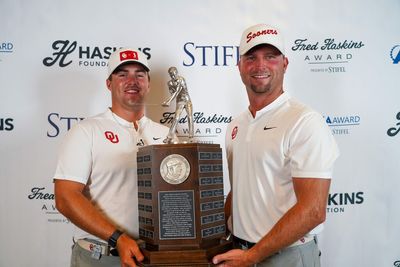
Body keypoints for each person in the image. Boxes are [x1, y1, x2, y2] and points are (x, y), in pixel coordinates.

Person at [212, 24, 339, 267]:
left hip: (286, 256)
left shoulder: (303, 120)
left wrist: (252, 256)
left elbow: (313, 210)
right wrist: (211, 235)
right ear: (239, 67)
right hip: (240, 252)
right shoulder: (236, 125)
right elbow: (239, 190)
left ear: (285, 64)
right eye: (251, 57)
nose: (260, 66)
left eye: (270, 57)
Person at [54, 47, 169, 267]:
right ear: (109, 83)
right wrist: (118, 238)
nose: (132, 81)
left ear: (148, 83)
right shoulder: (86, 131)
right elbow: (65, 198)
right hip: (101, 257)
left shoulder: (165, 135)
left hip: (152, 256)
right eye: (122, 74)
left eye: (139, 74)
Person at [161, 66, 194, 143]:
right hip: (179, 101)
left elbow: (177, 91)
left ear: (177, 73)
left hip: (187, 100)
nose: (173, 76)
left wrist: (168, 101)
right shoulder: (170, 83)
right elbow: (172, 93)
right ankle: (169, 137)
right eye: (171, 74)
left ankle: (191, 137)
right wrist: (167, 102)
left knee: (189, 117)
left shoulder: (181, 79)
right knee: (176, 118)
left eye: (174, 74)